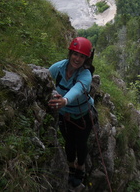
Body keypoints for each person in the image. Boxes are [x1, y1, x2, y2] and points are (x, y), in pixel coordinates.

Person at [48, 37, 95, 188]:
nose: (77, 59)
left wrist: (65, 101)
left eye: (82, 56)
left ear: (86, 59)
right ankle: (70, 167)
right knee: (69, 142)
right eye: (75, 54)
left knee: (81, 144)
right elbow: (46, 77)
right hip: (65, 114)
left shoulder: (85, 75)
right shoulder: (59, 68)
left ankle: (80, 168)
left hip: (83, 115)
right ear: (70, 53)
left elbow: (78, 89)